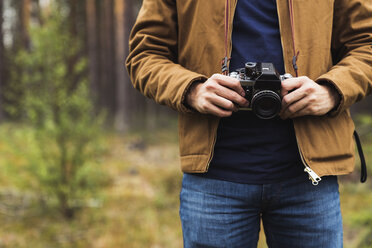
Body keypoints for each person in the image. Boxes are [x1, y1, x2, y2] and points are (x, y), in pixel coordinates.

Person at [126, 0, 372, 247]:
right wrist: (192, 91)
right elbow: (145, 55)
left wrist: (331, 91)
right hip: (214, 176)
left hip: (310, 178)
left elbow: (366, 45)